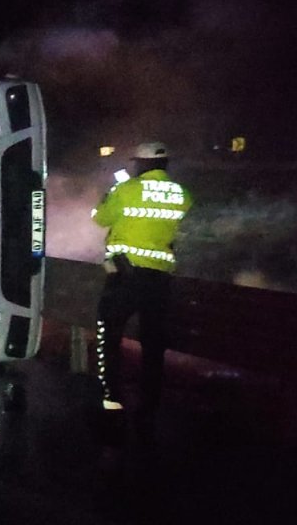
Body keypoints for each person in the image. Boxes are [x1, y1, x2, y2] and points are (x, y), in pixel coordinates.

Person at [91, 141, 192, 417]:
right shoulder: (181, 194)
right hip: (159, 279)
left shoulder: (126, 190)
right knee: (153, 340)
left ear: (141, 163)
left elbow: (100, 219)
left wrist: (107, 195)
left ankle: (112, 397)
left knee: (108, 335)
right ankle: (151, 398)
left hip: (124, 276)